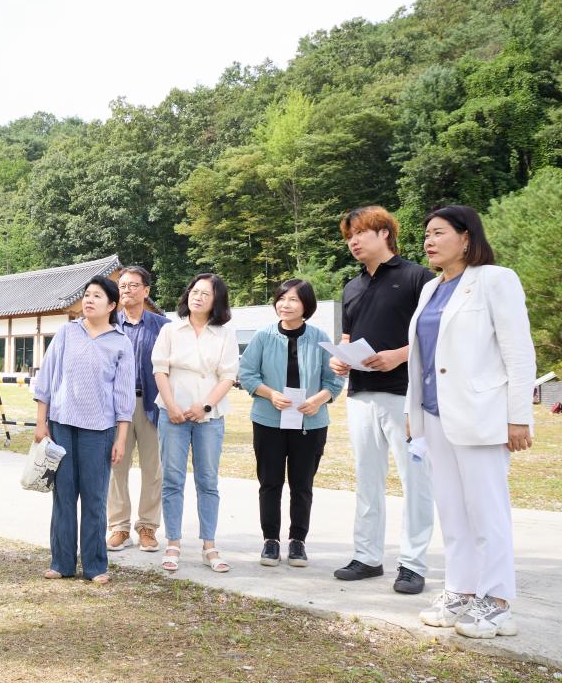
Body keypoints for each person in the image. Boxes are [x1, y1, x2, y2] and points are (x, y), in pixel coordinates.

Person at [408, 205, 535, 639]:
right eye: (426, 233)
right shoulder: (430, 290)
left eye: (438, 232)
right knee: (452, 509)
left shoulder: (495, 280)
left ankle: (497, 603)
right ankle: (460, 590)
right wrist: (415, 416)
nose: (428, 240)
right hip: (435, 414)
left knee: (487, 510)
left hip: (481, 414)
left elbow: (519, 352)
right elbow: (425, 359)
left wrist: (518, 417)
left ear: (466, 238)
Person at [332, 206, 435, 594]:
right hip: (360, 394)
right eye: (348, 237)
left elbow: (432, 336)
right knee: (367, 479)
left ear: (384, 233)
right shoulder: (351, 287)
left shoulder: (417, 278)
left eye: (359, 233)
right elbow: (347, 339)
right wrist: (339, 361)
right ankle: (367, 557)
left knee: (415, 480)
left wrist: (398, 354)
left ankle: (412, 564)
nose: (353, 242)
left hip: (405, 394)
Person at [33, 277, 135, 584]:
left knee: (94, 499)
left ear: (112, 305)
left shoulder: (120, 342)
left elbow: (124, 396)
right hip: (62, 425)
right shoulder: (67, 332)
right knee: (63, 496)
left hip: (100, 430)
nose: (89, 300)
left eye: (97, 296)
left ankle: (95, 565)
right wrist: (42, 422)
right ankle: (61, 562)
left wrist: (120, 439)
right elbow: (47, 377)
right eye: (87, 295)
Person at [239, 279, 345, 567]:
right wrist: (270, 394)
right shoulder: (262, 336)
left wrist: (319, 400)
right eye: (281, 298)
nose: (285, 304)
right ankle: (270, 540)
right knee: (270, 482)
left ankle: (298, 541)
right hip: (268, 421)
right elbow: (247, 374)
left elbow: (334, 379)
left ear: (306, 306)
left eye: (293, 300)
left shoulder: (320, 337)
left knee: (302, 484)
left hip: (310, 422)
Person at [151, 273, 239, 573]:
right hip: (172, 414)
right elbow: (159, 370)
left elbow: (228, 375)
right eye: (194, 291)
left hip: (209, 417)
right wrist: (173, 406)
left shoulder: (225, 334)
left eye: (205, 293)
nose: (197, 296)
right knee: (172, 480)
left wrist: (205, 406)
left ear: (217, 301)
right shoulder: (171, 329)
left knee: (208, 482)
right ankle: (173, 542)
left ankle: (209, 545)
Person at [107, 266, 170, 553]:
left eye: (133, 285)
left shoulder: (162, 326)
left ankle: (147, 526)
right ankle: (119, 527)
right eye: (122, 285)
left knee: (152, 469)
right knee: (116, 466)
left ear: (146, 291)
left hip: (151, 403)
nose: (127, 290)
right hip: (115, 406)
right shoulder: (108, 323)